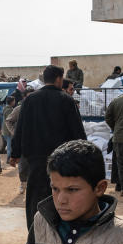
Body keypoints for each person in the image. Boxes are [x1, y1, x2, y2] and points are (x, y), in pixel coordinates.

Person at [9, 65, 86, 229]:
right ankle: (58, 234)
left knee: (35, 198)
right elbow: (77, 131)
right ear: (59, 79)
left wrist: (15, 153)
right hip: (61, 162)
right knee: (60, 197)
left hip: (35, 160)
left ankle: (34, 234)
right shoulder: (66, 100)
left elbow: (20, 128)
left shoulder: (30, 100)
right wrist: (83, 157)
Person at [0, 95, 15, 160]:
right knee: (9, 146)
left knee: (9, 145)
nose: (15, 102)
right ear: (11, 102)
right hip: (8, 131)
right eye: (14, 101)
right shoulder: (9, 110)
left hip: (5, 130)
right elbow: (9, 121)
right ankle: (9, 159)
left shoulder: (5, 108)